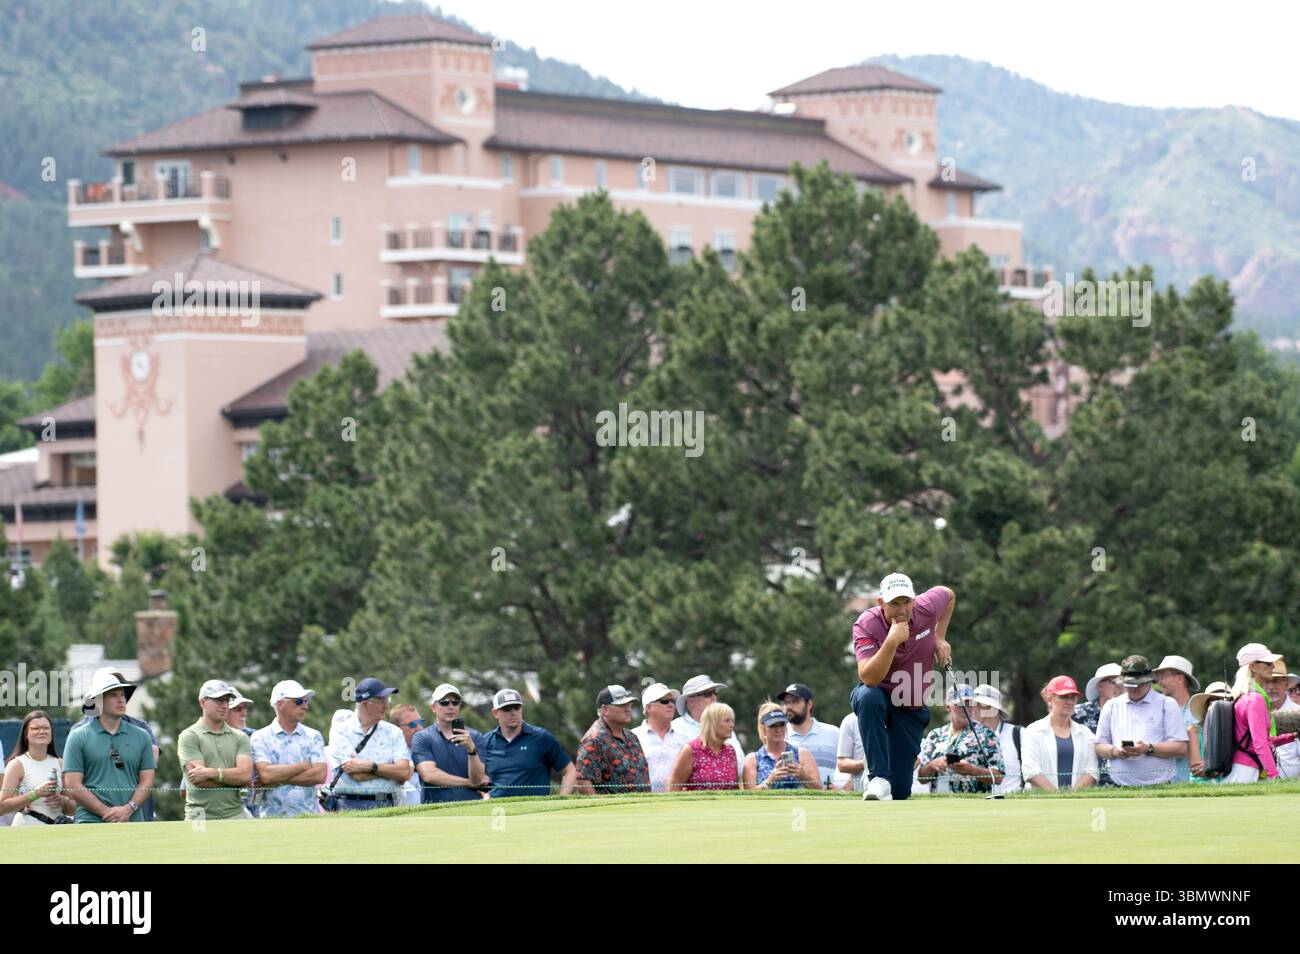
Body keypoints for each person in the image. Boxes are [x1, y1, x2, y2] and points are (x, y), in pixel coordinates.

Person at [851, 572, 956, 801]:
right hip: (879, 695)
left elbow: (948, 595)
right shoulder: (867, 623)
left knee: (900, 791)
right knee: (868, 696)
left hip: (909, 707)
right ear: (881, 603)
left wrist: (939, 636)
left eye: (906, 602)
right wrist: (891, 640)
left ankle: (886, 780)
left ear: (915, 600)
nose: (901, 609)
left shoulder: (927, 608)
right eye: (894, 603)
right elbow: (869, 678)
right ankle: (877, 777)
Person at [62, 669, 156, 823]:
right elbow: (72, 784)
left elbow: (147, 780)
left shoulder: (142, 735)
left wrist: (128, 809)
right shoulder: (77, 736)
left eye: (122, 695)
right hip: (90, 821)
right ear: (98, 701)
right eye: (113, 695)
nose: (121, 700)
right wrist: (106, 812)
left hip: (132, 819)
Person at [1094, 656, 1189, 787]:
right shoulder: (1111, 705)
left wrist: (1147, 748)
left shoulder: (1166, 704)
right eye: (1130, 684)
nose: (1134, 688)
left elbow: (1181, 748)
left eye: (1139, 683)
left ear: (1149, 681)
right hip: (1118, 785)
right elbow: (1099, 746)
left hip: (1160, 785)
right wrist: (1115, 751)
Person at [327, 678, 412, 810]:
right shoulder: (340, 731)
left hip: (389, 804)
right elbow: (356, 775)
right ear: (365, 704)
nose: (386, 705)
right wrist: (390, 771)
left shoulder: (394, 732)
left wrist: (371, 766)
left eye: (387, 700)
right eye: (381, 700)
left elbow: (404, 772)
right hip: (349, 805)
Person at [177, 679, 255, 822]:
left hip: (235, 815)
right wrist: (235, 779)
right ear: (202, 702)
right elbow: (199, 781)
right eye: (219, 700)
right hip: (199, 816)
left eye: (226, 700)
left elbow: (246, 776)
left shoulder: (240, 737)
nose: (225, 705)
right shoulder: (189, 736)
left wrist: (212, 773)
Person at [250, 680, 328, 818]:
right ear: (280, 704)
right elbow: (266, 775)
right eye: (299, 701)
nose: (305, 706)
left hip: (309, 817)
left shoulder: (313, 736)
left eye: (306, 701)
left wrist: (277, 779)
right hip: (272, 818)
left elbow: (320, 775)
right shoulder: (260, 737)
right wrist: (303, 766)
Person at [478, 688, 575, 798]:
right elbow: (479, 777)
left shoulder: (541, 737)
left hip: (535, 812)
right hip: (499, 811)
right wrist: (485, 794)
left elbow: (569, 770)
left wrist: (562, 800)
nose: (513, 712)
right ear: (495, 713)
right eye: (507, 708)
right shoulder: (486, 741)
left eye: (517, 707)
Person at [1224, 644, 1294, 784]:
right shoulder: (1255, 699)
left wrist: (1292, 736)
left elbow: (1261, 739)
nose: (1272, 667)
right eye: (1267, 663)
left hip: (1243, 766)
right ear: (1253, 667)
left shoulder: (1244, 695)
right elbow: (1259, 743)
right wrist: (1274, 775)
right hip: (1246, 770)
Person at [915, 685, 1003, 794]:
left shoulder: (986, 734)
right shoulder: (935, 735)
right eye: (959, 704)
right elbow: (921, 778)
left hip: (975, 805)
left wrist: (972, 770)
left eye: (969, 704)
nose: (965, 709)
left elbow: (998, 777)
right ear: (948, 707)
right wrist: (933, 765)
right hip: (940, 804)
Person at [411, 683, 486, 803]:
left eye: (455, 702)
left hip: (472, 807)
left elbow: (478, 779)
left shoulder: (475, 737)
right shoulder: (422, 737)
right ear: (433, 707)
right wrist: (468, 783)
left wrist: (471, 750)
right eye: (444, 702)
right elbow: (429, 775)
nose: (450, 706)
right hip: (436, 811)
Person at [1021, 676, 1098, 790]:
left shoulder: (1086, 733)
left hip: (1076, 803)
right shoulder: (1033, 731)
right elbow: (1031, 771)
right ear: (1049, 699)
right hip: (1039, 803)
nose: (1069, 702)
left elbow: (1092, 771)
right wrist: (1057, 797)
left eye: (1073, 697)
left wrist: (1072, 797)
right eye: (1063, 697)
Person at [0, 710, 76, 825]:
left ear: (51, 731)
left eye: (46, 728)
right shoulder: (16, 764)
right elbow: (2, 807)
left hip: (58, 831)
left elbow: (72, 809)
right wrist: (35, 794)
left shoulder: (61, 764)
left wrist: (64, 801)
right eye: (35, 728)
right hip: (26, 831)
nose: (41, 731)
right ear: (26, 734)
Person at [575, 685, 651, 795]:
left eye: (629, 704)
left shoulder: (632, 736)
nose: (628, 709)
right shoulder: (594, 740)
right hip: (615, 810)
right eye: (621, 705)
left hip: (643, 809)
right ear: (604, 710)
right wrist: (603, 810)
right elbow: (583, 783)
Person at [671, 675, 746, 768]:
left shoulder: (725, 726)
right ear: (691, 701)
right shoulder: (675, 729)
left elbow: (741, 765)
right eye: (707, 694)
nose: (714, 697)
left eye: (715, 693)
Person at [742, 702, 820, 790]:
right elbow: (748, 796)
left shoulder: (802, 754)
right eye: (772, 726)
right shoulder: (753, 759)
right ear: (763, 728)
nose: (778, 730)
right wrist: (769, 781)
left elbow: (820, 791)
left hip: (796, 803)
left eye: (782, 724)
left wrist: (803, 775)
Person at [777, 683, 841, 789]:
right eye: (786, 702)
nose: (788, 706)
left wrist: (842, 789)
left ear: (809, 704)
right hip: (791, 802)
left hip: (830, 802)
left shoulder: (833, 732)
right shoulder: (779, 735)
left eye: (795, 701)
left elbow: (847, 767)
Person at [630, 682, 691, 793]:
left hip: (680, 803)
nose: (671, 705)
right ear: (648, 707)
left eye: (672, 701)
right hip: (646, 804)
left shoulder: (685, 738)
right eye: (664, 701)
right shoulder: (632, 738)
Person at [669, 702, 740, 791]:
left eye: (732, 721)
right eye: (727, 721)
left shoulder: (730, 751)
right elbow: (673, 788)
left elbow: (735, 788)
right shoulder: (691, 750)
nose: (732, 725)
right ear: (713, 723)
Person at [1074, 662, 1123, 787]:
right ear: (1100, 686)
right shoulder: (1077, 714)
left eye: (1122, 681)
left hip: (1126, 784)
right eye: (1114, 681)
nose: (1119, 686)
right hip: (1087, 786)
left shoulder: (1132, 714)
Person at [1154, 655, 1202, 781]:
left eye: (1163, 677)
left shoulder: (1198, 710)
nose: (1159, 682)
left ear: (1179, 679)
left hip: (1192, 782)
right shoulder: (1156, 710)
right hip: (1160, 782)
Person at [972, 684, 1023, 794]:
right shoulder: (967, 737)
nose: (972, 709)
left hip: (1013, 804)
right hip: (975, 804)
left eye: (978, 704)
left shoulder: (1018, 734)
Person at [389, 701, 426, 806]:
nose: (419, 728)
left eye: (420, 722)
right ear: (396, 729)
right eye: (412, 724)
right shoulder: (390, 755)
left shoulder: (428, 747)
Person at [1269, 664, 1300, 778]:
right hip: (1258, 785)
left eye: (1276, 681)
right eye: (1268, 681)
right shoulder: (1252, 711)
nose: (1271, 687)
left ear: (1286, 683)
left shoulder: (1297, 713)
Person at [835, 711, 867, 793]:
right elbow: (842, 764)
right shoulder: (850, 721)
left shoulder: (898, 716)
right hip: (861, 793)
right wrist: (868, 763)